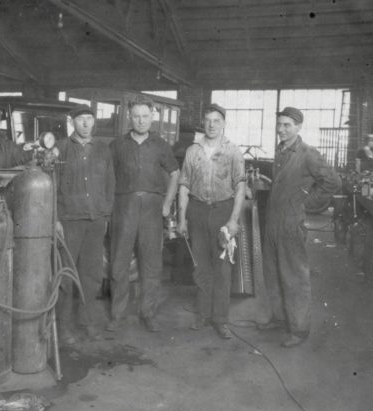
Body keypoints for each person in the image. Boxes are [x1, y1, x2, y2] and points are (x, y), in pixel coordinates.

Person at [259, 107, 341, 347]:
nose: (282, 129)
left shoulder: (307, 154)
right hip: (274, 221)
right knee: (273, 272)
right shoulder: (281, 151)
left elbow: (333, 182)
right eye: (280, 124)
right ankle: (279, 317)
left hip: (291, 222)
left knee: (294, 276)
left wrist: (306, 204)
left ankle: (299, 329)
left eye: (288, 125)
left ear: (299, 127)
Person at [108, 95, 180, 332]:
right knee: (119, 261)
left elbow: (175, 174)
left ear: (152, 117)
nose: (140, 121)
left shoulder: (161, 145)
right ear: (130, 117)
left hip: (152, 208)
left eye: (145, 116)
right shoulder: (117, 144)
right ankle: (117, 314)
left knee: (151, 263)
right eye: (136, 116)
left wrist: (168, 203)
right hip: (124, 206)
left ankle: (148, 313)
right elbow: (108, 178)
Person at [176, 104, 246, 339]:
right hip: (196, 211)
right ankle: (203, 315)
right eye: (207, 120)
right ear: (202, 123)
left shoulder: (233, 151)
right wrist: (182, 217)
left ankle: (221, 320)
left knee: (222, 269)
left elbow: (240, 187)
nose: (211, 125)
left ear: (224, 123)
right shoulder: (192, 151)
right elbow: (184, 185)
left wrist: (233, 220)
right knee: (201, 267)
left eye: (216, 120)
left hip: (222, 212)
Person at [55, 104, 115, 344]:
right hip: (69, 222)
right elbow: (52, 185)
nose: (86, 124)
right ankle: (63, 328)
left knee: (91, 276)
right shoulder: (60, 149)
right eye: (80, 119)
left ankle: (87, 323)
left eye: (89, 119)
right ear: (72, 122)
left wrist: (106, 213)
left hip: (95, 220)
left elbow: (110, 183)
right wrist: (55, 219)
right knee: (66, 276)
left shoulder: (102, 149)